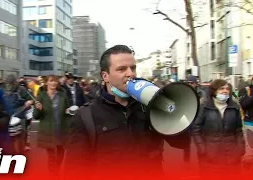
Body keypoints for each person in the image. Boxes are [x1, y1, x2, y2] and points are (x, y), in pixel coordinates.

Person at [62, 45, 189, 179]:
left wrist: (170, 112)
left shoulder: (148, 107)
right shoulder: (86, 116)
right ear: (105, 76)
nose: (131, 74)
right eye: (121, 69)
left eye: (133, 68)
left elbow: (182, 143)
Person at [193, 79, 245, 178]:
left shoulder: (234, 108)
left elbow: (239, 130)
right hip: (210, 156)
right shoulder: (205, 107)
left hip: (232, 156)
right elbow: (196, 130)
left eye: (227, 89)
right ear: (214, 91)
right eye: (221, 89)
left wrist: (240, 148)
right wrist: (202, 149)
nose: (225, 91)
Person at [33, 75, 70, 178]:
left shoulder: (62, 95)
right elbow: (35, 116)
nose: (54, 83)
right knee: (52, 156)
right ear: (47, 83)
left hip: (61, 130)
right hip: (48, 131)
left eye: (55, 81)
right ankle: (54, 175)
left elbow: (68, 111)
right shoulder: (41, 96)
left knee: (61, 154)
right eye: (51, 81)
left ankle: (56, 170)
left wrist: (69, 112)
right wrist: (38, 109)